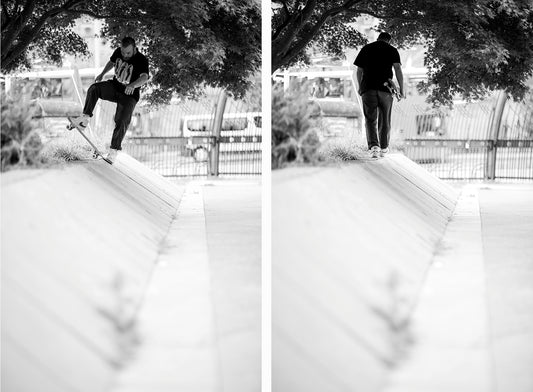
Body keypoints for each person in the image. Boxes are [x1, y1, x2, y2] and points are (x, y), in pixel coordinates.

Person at [71, 36, 150, 162]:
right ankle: (84, 119)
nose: (125, 55)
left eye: (128, 53)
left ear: (134, 49)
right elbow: (111, 62)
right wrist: (102, 74)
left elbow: (145, 77)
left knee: (122, 120)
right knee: (94, 88)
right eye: (123, 52)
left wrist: (132, 85)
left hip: (129, 95)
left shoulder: (142, 60)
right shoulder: (119, 51)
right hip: (115, 87)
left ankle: (114, 150)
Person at [354, 32, 404, 158]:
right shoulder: (392, 50)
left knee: (370, 119)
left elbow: (359, 70)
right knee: (385, 119)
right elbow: (397, 69)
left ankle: (374, 147)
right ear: (389, 41)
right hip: (385, 89)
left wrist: (360, 87)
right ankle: (384, 147)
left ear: (378, 38)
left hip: (368, 89)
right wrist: (401, 89)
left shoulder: (367, 48)